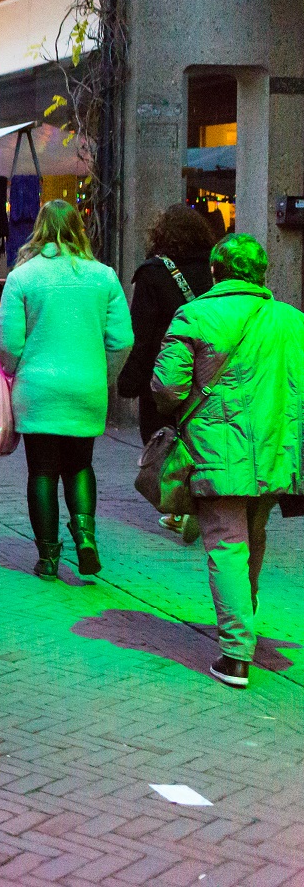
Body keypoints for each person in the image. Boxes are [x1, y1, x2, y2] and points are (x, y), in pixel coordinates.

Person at [152, 234, 304, 689]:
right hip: (275, 452)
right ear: (262, 274)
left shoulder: (195, 316)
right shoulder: (292, 320)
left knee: (226, 543)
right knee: (252, 535)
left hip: (219, 449)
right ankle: (245, 631)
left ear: (216, 272)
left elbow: (166, 388)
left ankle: (236, 654)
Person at [0, 201, 133, 580]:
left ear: (38, 229)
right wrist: (101, 376)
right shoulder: (103, 277)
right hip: (86, 387)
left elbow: (9, 344)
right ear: (78, 228)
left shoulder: (22, 278)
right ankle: (85, 535)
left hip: (38, 388)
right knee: (80, 465)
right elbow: (122, 339)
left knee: (41, 471)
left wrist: (14, 373)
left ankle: (49, 557)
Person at [118, 203, 217, 443]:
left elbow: (141, 335)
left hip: (162, 381)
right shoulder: (214, 270)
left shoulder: (153, 273)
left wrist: (129, 381)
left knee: (161, 455)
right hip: (208, 377)